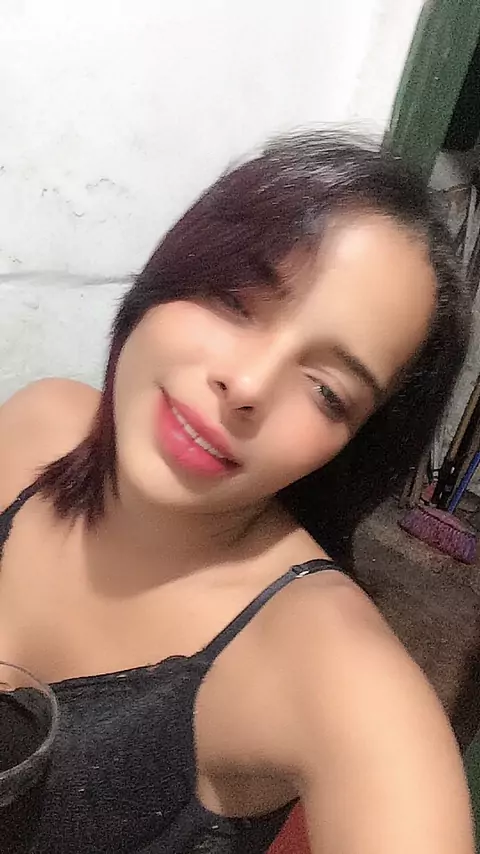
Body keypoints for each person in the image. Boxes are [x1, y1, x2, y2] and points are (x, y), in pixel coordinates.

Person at [0, 131, 474, 854]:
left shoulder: (331, 672)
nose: (247, 384)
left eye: (326, 391)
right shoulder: (39, 423)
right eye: (234, 300)